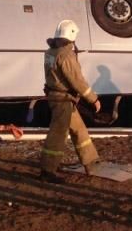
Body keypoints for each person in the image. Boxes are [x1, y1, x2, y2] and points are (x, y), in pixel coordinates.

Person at [40, 20, 102, 183]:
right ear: (72, 35)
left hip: (58, 97)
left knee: (79, 130)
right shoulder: (65, 55)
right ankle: (48, 170)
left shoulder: (50, 52)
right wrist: (93, 99)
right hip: (63, 100)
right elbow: (77, 80)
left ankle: (90, 163)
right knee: (58, 135)